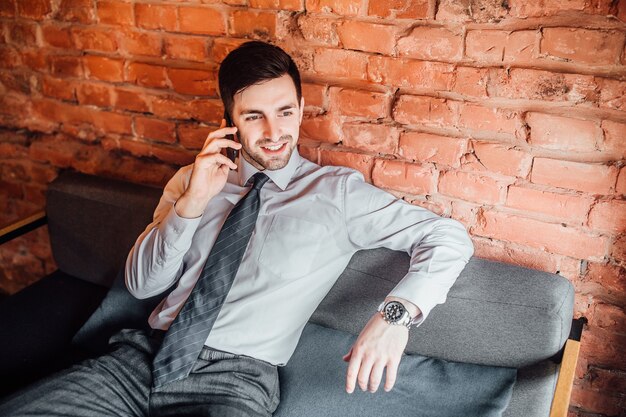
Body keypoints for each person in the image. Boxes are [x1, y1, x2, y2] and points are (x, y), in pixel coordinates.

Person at [0, 41, 473, 417]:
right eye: (254, 116)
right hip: (139, 360)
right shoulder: (194, 179)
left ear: (302, 107)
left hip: (235, 381)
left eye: (286, 111)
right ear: (228, 120)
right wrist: (194, 202)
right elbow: (144, 283)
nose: (273, 132)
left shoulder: (338, 194)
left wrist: (394, 318)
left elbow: (448, 238)